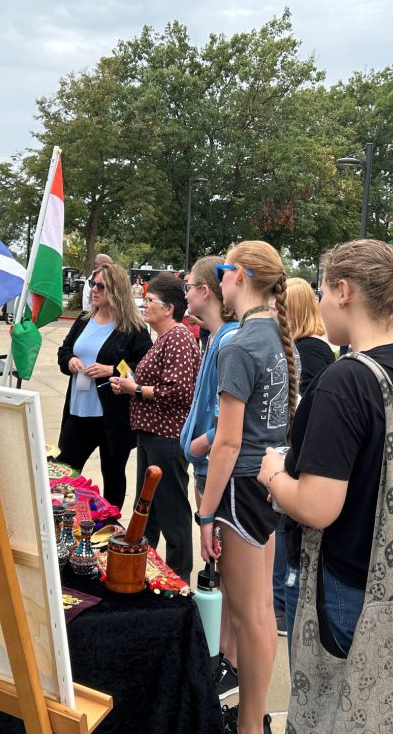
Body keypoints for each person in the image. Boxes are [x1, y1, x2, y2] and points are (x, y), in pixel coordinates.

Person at [257, 239, 393, 690]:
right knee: (376, 709)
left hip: (352, 581)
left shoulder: (345, 381)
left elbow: (318, 506)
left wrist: (274, 475)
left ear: (344, 291)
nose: (319, 303)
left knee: (332, 711)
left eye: (321, 291)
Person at [197, 241, 296, 734]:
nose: (218, 280)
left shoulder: (239, 344)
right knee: (259, 610)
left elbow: (228, 443)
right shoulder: (276, 338)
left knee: (250, 613)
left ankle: (250, 723)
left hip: (239, 488)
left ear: (239, 276)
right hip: (267, 484)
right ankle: (253, 715)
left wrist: (205, 513)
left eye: (222, 270)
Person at [110, 273, 200, 582]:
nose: (145, 305)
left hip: (167, 437)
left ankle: (179, 581)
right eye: (145, 299)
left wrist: (133, 389)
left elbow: (177, 391)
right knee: (149, 512)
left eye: (151, 301)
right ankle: (148, 572)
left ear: (169, 309)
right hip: (152, 436)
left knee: (172, 514)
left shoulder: (178, 337)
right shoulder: (165, 338)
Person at [179, 257, 241, 695]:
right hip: (205, 466)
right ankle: (218, 653)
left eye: (189, 286)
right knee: (215, 568)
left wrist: (200, 443)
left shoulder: (228, 341)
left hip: (214, 469)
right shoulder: (214, 337)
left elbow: (231, 420)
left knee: (226, 570)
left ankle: (230, 662)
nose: (184, 293)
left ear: (206, 291)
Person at [55, 263, 151, 510]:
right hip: (79, 412)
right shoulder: (84, 319)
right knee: (64, 470)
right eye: (92, 284)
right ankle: (66, 519)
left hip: (112, 417)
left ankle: (110, 525)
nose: (94, 290)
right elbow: (63, 351)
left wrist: (112, 370)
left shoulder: (133, 328)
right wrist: (71, 361)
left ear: (116, 291)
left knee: (113, 474)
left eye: (101, 286)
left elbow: (144, 367)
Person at [272, 277, 337, 643]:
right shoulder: (310, 347)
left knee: (285, 530)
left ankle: (280, 604)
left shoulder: (309, 350)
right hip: (296, 450)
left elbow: (303, 405)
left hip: (298, 454)